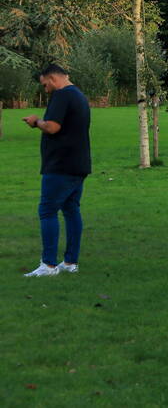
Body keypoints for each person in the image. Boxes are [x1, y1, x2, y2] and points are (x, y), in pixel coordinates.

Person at [21, 64, 91, 277]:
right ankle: (70, 262)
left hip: (60, 165)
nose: (46, 90)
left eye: (45, 85)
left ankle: (49, 265)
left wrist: (35, 122)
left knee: (47, 210)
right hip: (78, 163)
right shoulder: (79, 95)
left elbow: (52, 126)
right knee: (71, 210)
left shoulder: (61, 96)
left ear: (52, 78)